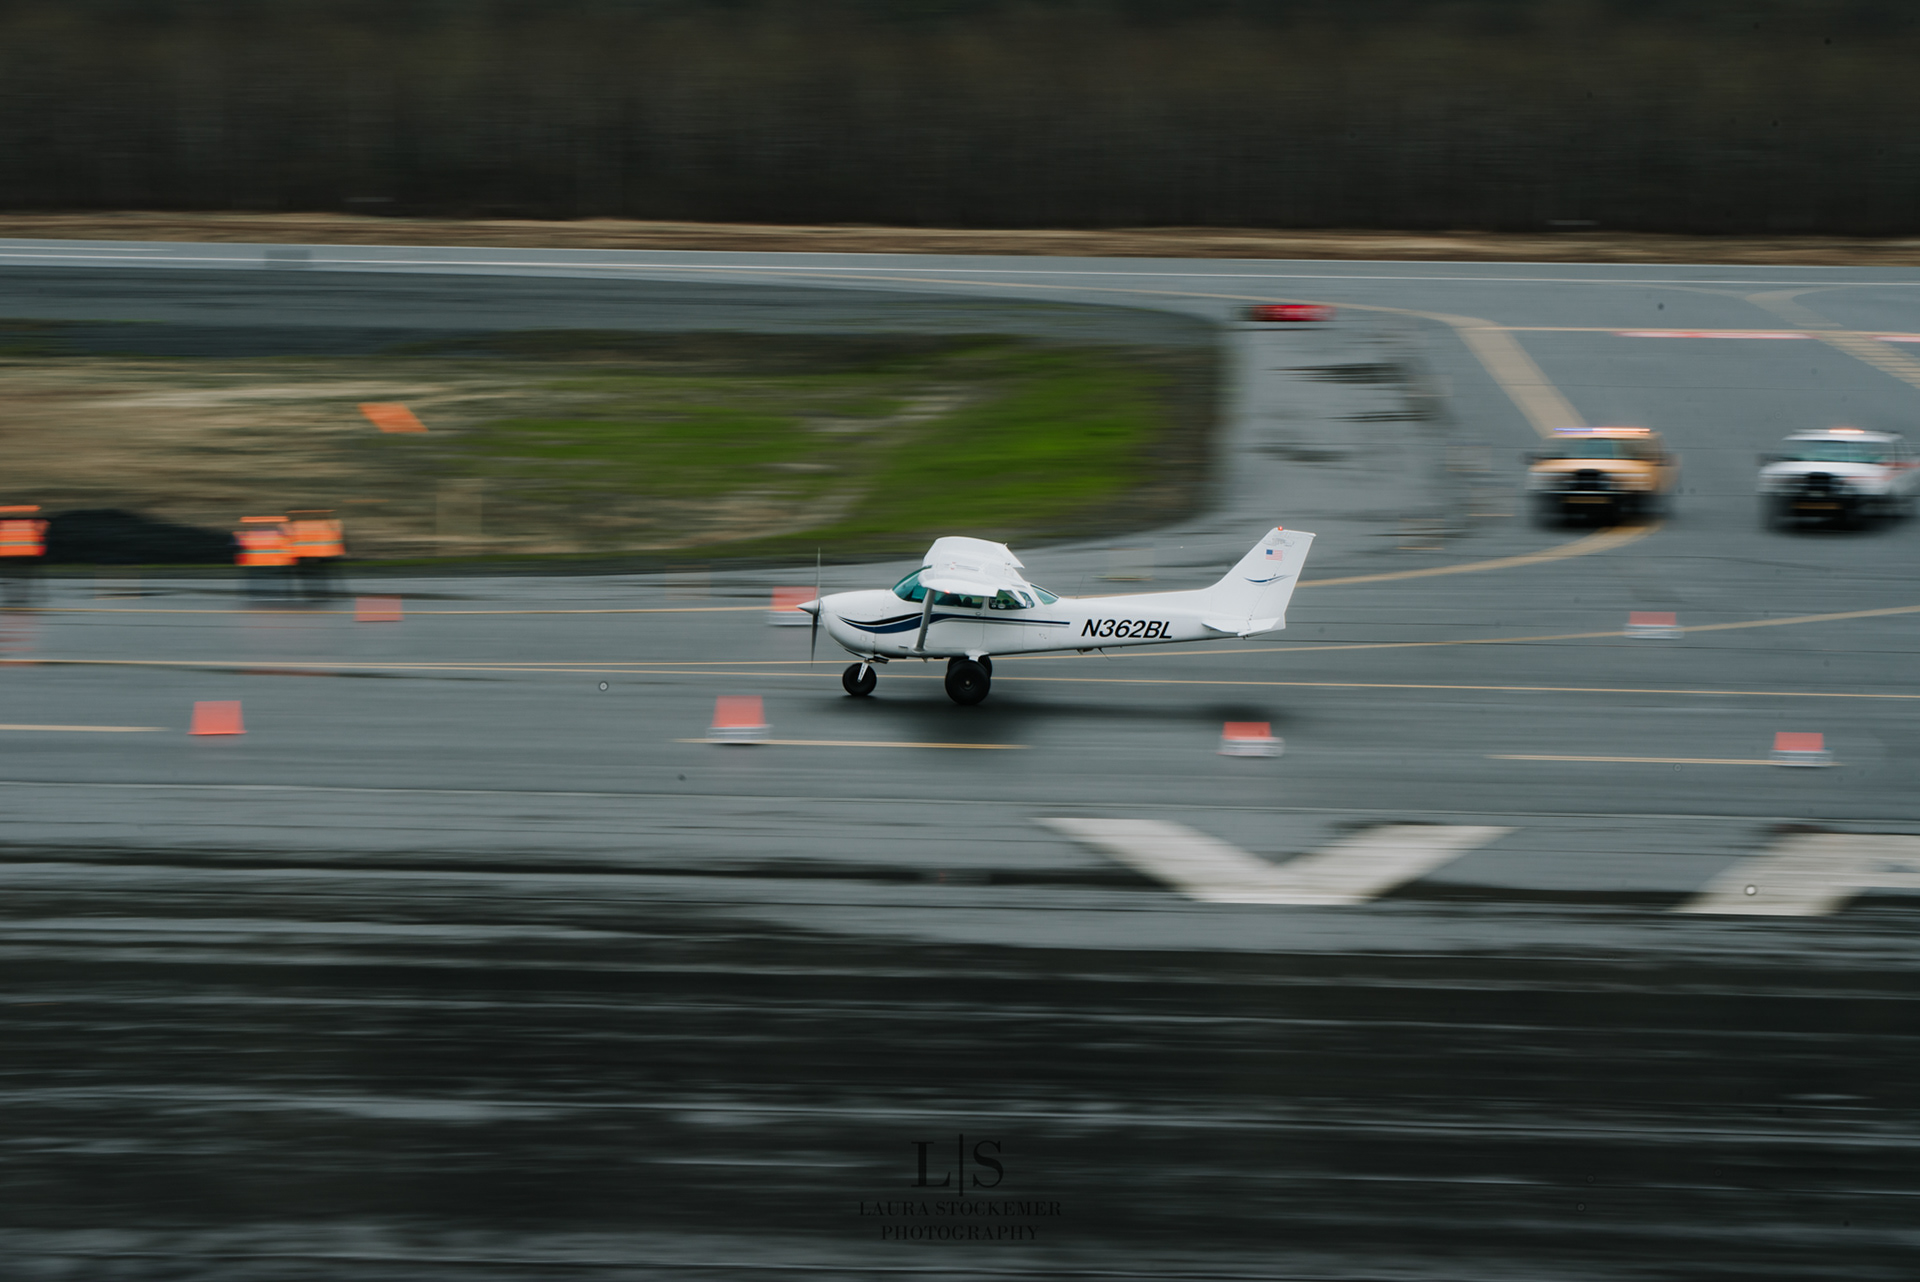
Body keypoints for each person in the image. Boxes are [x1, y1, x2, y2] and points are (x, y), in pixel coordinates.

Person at [0, 504, 49, 608]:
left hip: (5, 552)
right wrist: (40, 550)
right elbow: (42, 532)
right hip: (28, 552)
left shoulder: (3, 514)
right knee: (25, 576)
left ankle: (11, 597)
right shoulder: (34, 515)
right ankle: (22, 596)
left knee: (7, 575)